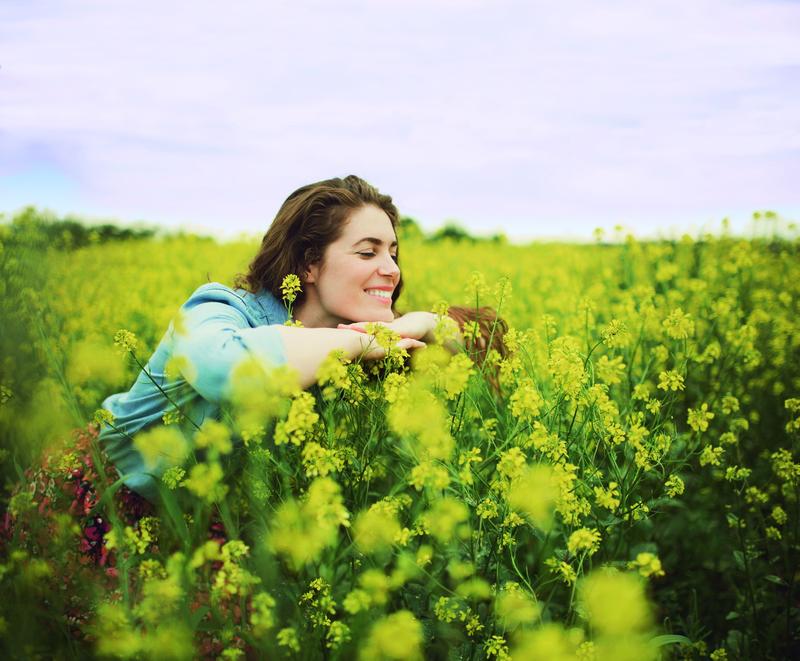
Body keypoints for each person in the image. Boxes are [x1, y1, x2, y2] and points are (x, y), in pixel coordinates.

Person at [97, 175, 506, 503]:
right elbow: (228, 372)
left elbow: (485, 348)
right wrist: (362, 344)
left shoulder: (371, 333)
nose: (392, 270)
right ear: (309, 265)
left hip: (217, 524)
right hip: (109, 499)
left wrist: (419, 322)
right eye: (368, 253)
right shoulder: (219, 311)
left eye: (393, 254)